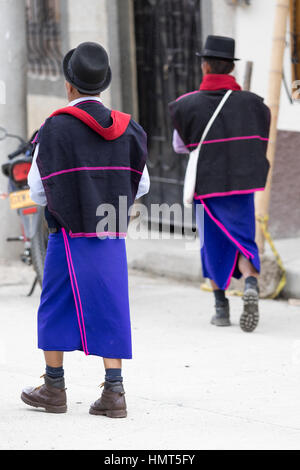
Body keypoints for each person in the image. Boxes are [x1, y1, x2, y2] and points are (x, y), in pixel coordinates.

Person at [21, 42, 149, 417]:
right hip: (112, 234)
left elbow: (37, 190)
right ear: (101, 85)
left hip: (67, 234)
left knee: (55, 304)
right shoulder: (130, 129)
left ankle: (54, 386)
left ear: (69, 85)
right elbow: (141, 186)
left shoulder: (55, 128)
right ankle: (114, 393)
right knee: (112, 304)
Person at [169, 35, 271, 332]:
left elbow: (180, 146)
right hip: (241, 186)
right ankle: (250, 282)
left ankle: (221, 308)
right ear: (231, 68)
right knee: (241, 239)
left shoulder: (185, 106)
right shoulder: (254, 104)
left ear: (204, 66)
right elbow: (258, 142)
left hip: (207, 186)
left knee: (212, 245)